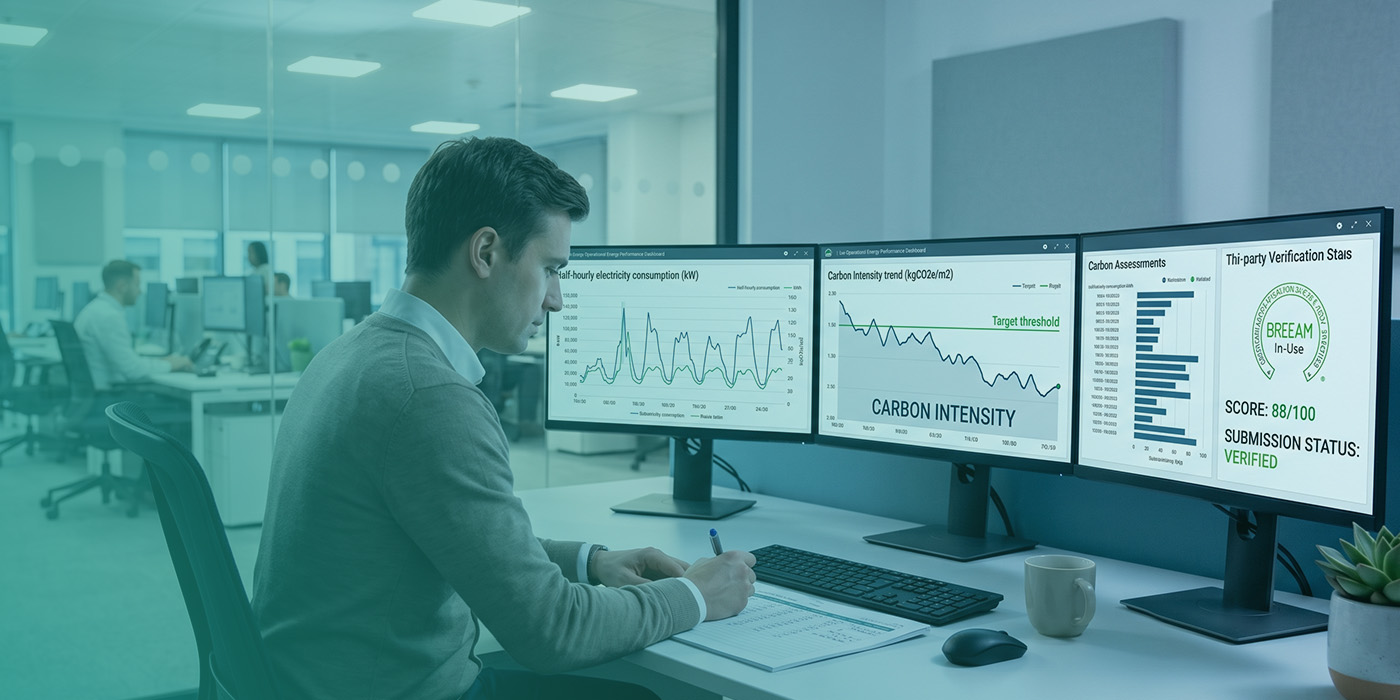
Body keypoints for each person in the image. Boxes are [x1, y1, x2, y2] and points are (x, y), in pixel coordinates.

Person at [252, 137, 756, 700]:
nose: (557, 299)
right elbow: (552, 632)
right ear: (486, 252)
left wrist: (589, 562)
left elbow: (461, 539)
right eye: (549, 268)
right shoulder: (430, 396)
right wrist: (696, 597)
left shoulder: (355, 354)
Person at [74, 261, 192, 389]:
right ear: (122, 286)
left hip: (100, 393)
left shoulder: (95, 309)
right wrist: (173, 364)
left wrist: (162, 362)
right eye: (137, 285)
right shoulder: (108, 317)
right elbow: (132, 370)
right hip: (111, 396)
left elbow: (128, 362)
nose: (140, 291)